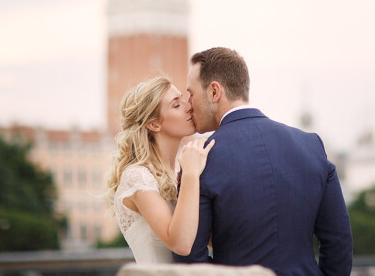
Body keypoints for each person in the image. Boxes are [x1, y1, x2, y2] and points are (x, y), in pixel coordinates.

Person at [174, 47, 353, 275]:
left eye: (191, 94)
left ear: (214, 91)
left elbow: (190, 259)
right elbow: (339, 243)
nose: (189, 104)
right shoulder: (311, 146)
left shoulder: (199, 159)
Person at [106, 76, 215, 263]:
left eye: (183, 98)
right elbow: (181, 244)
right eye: (176, 105)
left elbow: (209, 239)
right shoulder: (137, 177)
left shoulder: (179, 173)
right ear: (154, 124)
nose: (188, 106)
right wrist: (190, 174)